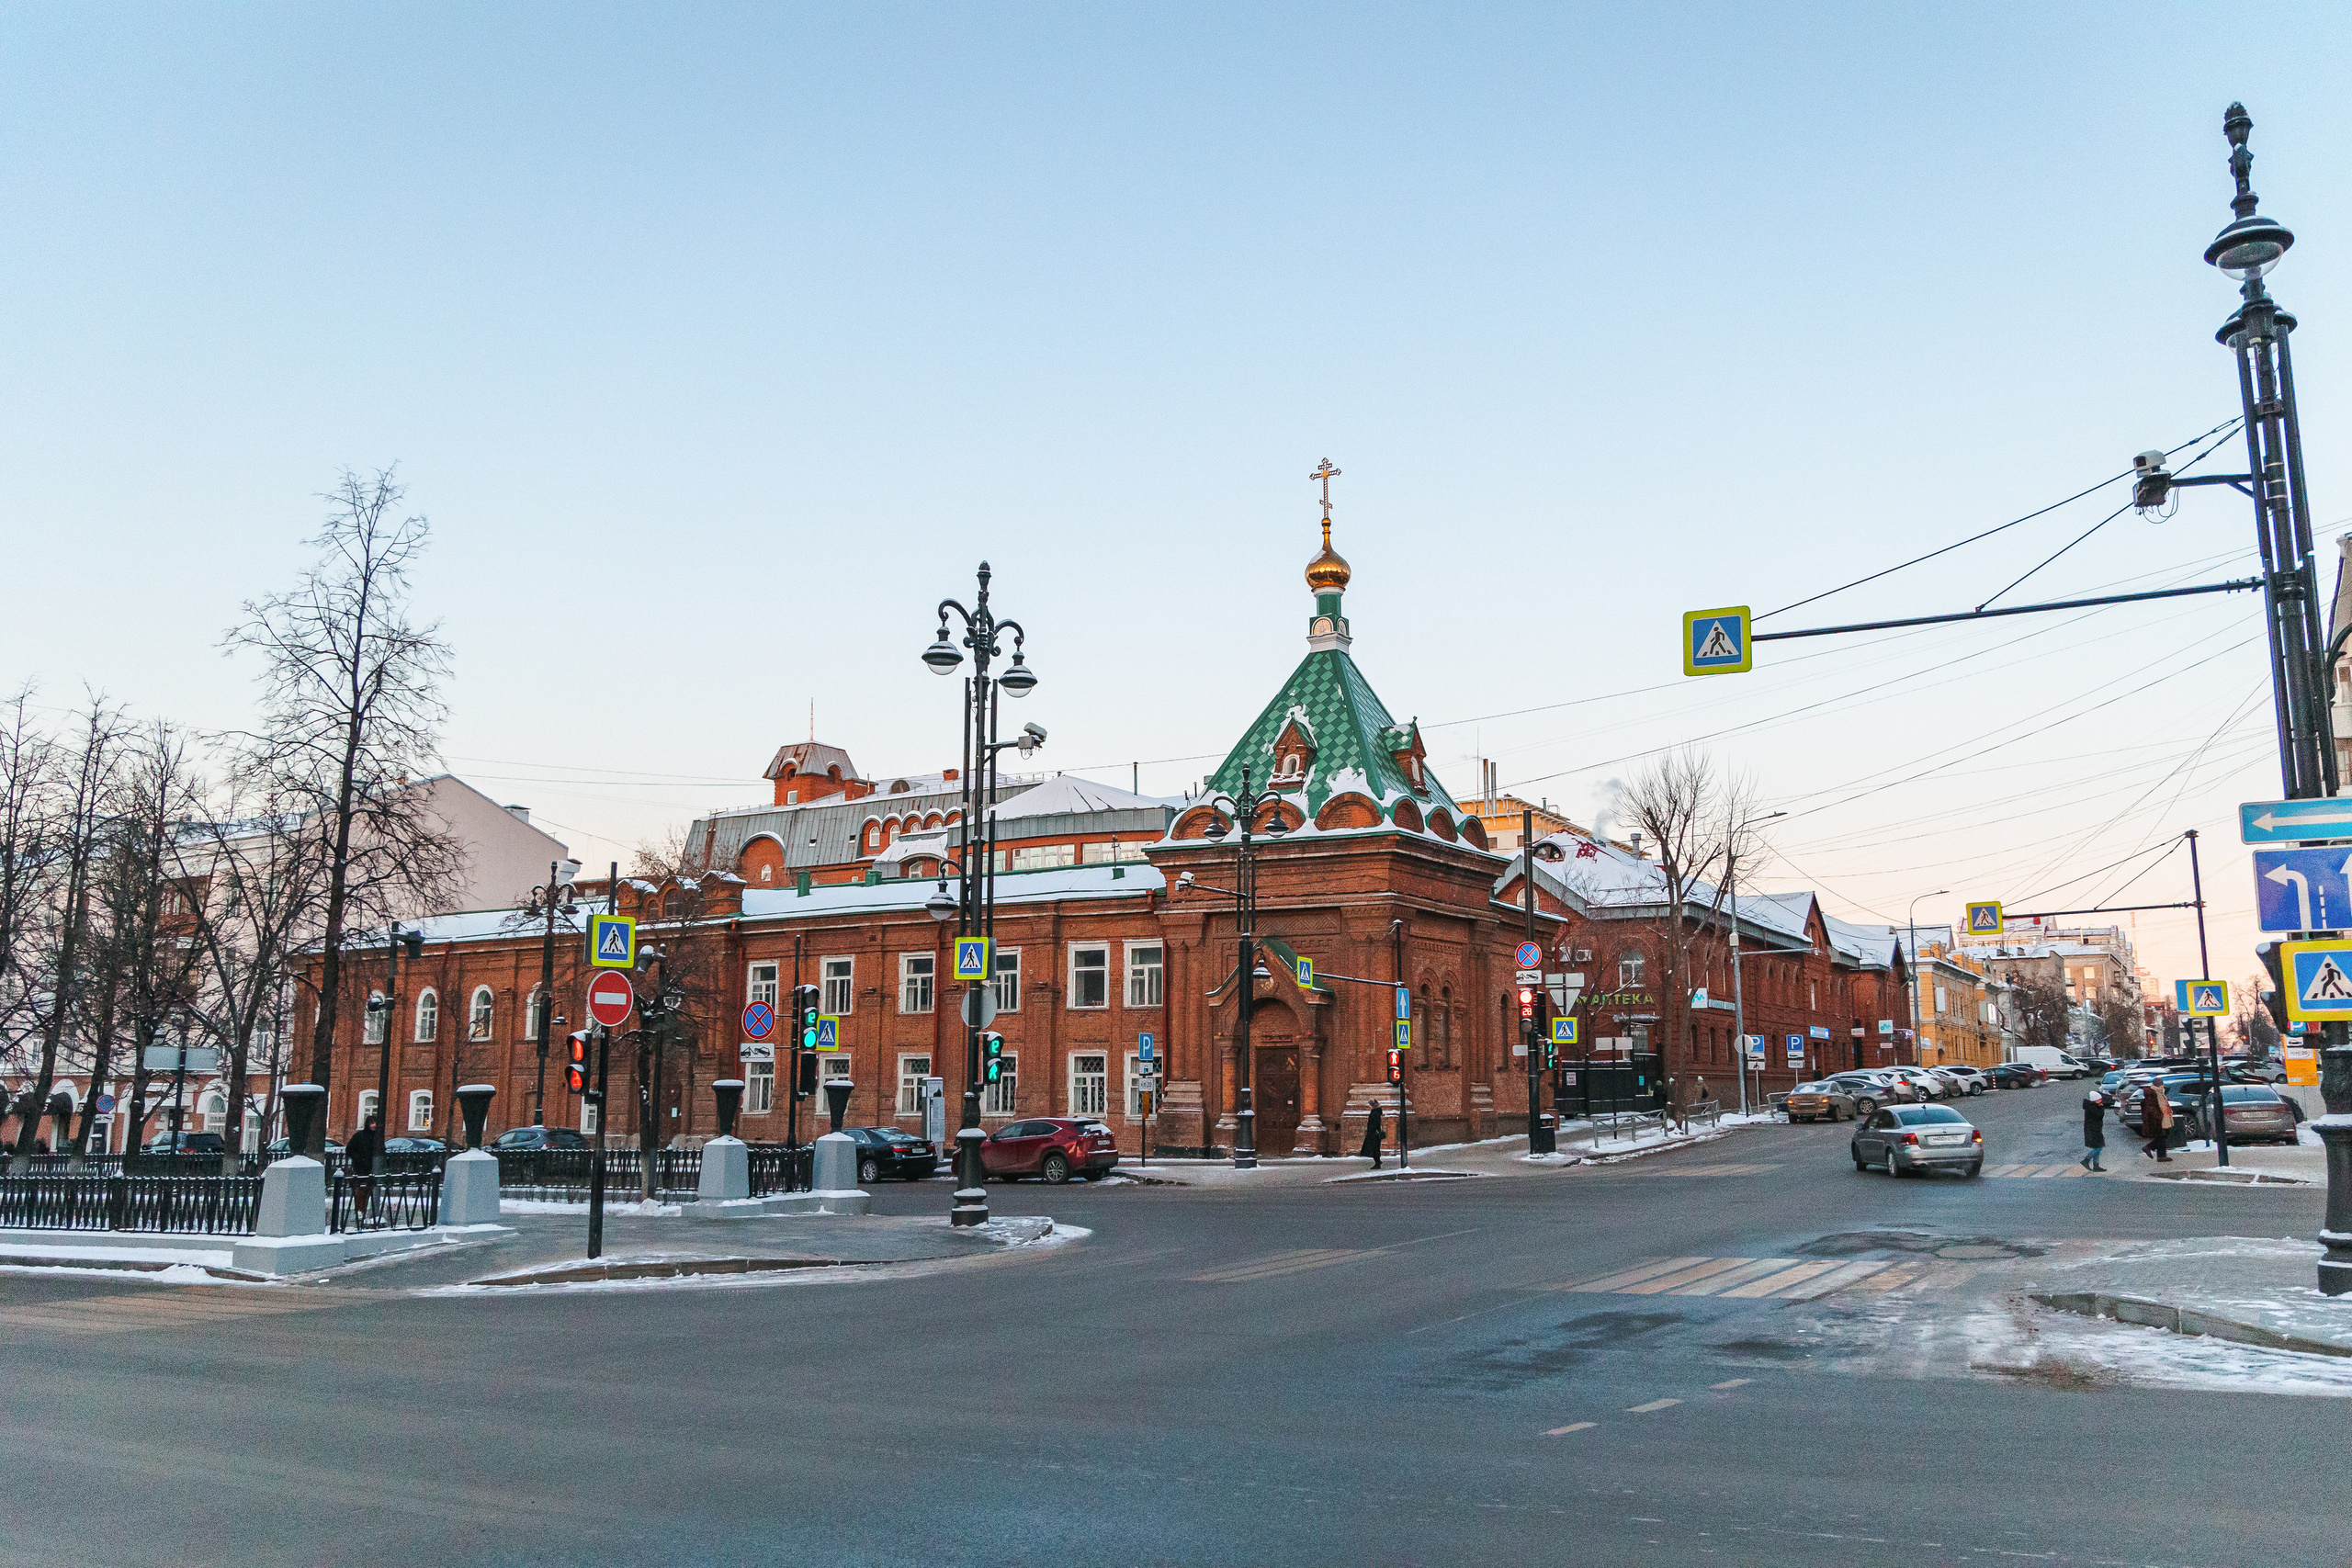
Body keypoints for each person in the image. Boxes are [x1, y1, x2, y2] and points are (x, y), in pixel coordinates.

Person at [345, 1113, 383, 1221]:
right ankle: (360, 1209)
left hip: (374, 1166)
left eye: (376, 1123)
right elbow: (349, 1149)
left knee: (372, 1188)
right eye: (372, 1123)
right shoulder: (360, 1136)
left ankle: (370, 1211)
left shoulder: (378, 1137)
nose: (374, 1125)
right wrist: (359, 1159)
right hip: (361, 1167)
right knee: (362, 1188)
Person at [2138, 1081, 2172, 1162]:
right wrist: (2159, 1116)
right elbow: (2152, 1108)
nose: (2163, 1085)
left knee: (2162, 1136)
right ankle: (2150, 1149)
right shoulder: (2153, 1094)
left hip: (2160, 1118)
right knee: (2161, 1135)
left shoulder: (2157, 1092)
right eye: (2161, 1084)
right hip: (2156, 1119)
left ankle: (2161, 1155)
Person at [2080, 1089, 2108, 1171]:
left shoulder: (2091, 1106)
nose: (2101, 1101)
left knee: (2098, 1147)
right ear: (2095, 1100)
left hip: (2094, 1129)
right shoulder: (2092, 1107)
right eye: (2099, 1099)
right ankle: (2086, 1160)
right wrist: (2101, 1108)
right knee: (2098, 1148)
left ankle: (2096, 1165)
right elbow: (2099, 1116)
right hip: (2093, 1130)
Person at [1359, 1100, 1385, 1169]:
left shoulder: (1375, 1113)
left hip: (1374, 1134)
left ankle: (1377, 1162)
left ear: (1373, 1106)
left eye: (1370, 1105)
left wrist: (1372, 1131)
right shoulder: (1375, 1112)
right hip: (1373, 1133)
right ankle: (1378, 1162)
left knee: (1374, 1148)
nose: (1369, 1107)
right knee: (1374, 1148)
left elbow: (1375, 1124)